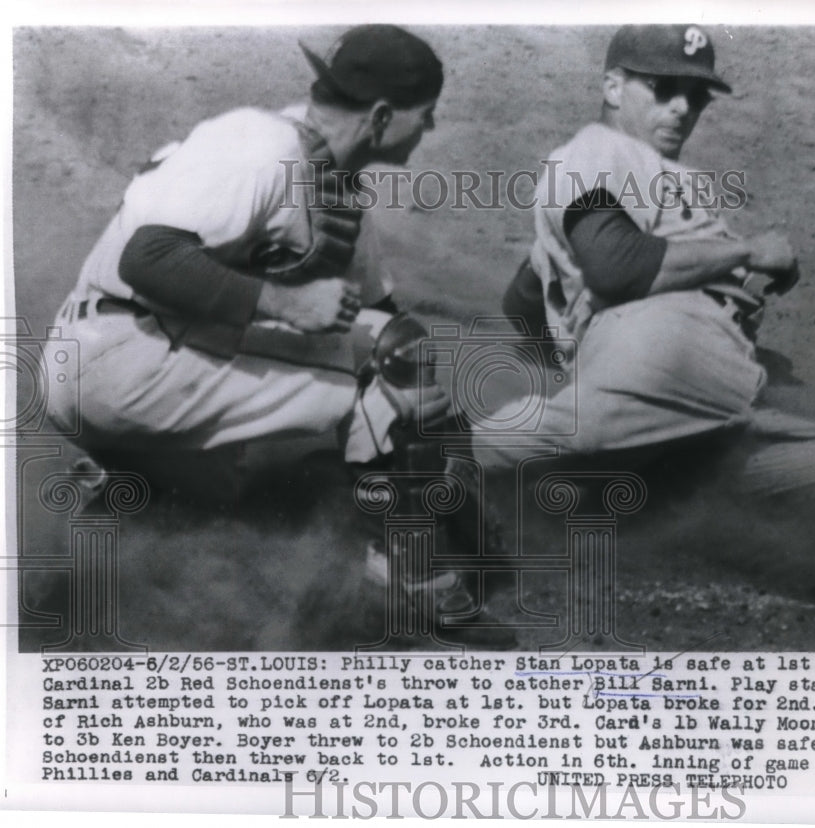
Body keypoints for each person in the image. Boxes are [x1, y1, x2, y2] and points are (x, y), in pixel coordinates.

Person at [44, 25, 513, 648]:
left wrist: (448, 454)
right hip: (120, 355)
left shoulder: (330, 180)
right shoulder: (258, 144)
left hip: (149, 363)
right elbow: (147, 258)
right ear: (380, 116)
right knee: (393, 365)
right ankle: (418, 581)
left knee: (372, 394)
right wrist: (285, 302)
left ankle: (130, 507)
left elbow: (380, 308)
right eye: (425, 117)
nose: (428, 131)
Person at [486, 24, 815, 633]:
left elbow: (525, 300)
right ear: (613, 87)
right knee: (518, 449)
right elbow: (617, 267)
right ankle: (414, 469)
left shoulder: (659, 179)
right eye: (664, 87)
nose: (683, 106)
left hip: (705, 413)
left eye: (696, 95)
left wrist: (567, 345)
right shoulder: (599, 149)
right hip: (650, 366)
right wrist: (747, 252)